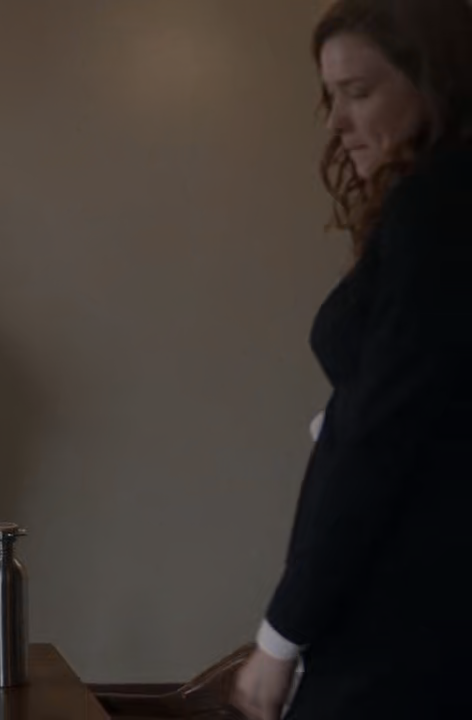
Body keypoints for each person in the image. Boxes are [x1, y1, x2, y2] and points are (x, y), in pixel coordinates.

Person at [232, 1, 472, 718]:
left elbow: (384, 434)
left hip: (412, 612)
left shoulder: (439, 205)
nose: (336, 122)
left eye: (358, 92)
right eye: (330, 96)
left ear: (438, 83)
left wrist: (281, 637)